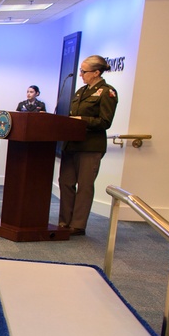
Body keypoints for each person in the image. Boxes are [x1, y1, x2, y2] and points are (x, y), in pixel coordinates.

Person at [58, 55, 118, 236]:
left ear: (96, 73)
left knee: (84, 186)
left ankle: (77, 225)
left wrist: (81, 120)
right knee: (66, 182)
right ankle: (64, 221)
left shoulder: (107, 92)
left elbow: (105, 121)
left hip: (90, 146)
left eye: (84, 71)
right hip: (72, 145)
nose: (81, 74)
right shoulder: (81, 92)